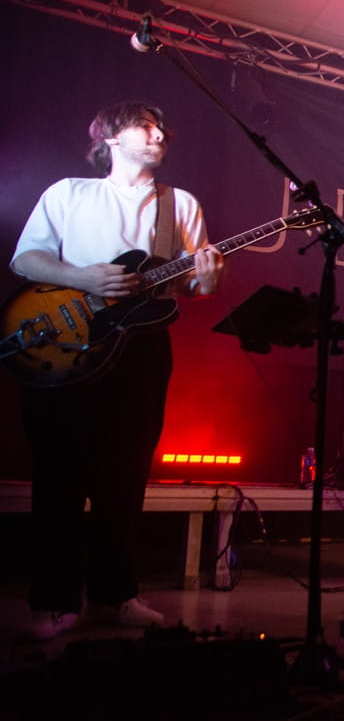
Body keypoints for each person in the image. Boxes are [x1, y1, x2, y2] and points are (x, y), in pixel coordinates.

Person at [9, 101, 226, 641]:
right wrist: (84, 278)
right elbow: (27, 259)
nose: (158, 135)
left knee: (125, 477)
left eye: (161, 128)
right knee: (58, 475)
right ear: (109, 137)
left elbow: (191, 286)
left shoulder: (180, 203)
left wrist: (208, 281)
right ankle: (54, 601)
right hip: (67, 343)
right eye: (144, 127)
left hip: (141, 348)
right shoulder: (69, 192)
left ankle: (114, 595)